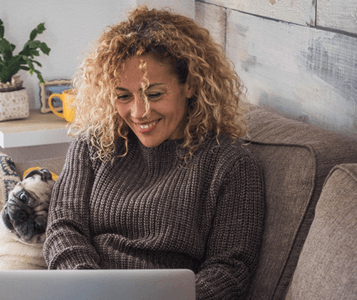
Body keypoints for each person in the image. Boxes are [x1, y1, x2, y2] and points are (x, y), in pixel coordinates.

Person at [43, 6, 265, 300]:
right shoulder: (94, 143)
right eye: (123, 96)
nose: (139, 112)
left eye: (154, 94)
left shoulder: (230, 165)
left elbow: (229, 271)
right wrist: (87, 286)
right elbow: (63, 226)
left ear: (190, 85)